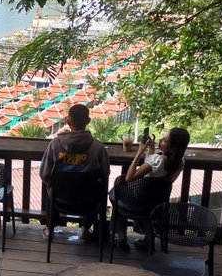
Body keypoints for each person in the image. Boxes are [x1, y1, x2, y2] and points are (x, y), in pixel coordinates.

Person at [39, 103, 111, 241]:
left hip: (59, 199)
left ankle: (49, 227)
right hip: (88, 201)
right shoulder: (98, 147)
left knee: (51, 188)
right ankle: (85, 228)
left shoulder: (55, 144)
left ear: (68, 121)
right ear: (88, 121)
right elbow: (105, 174)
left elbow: (44, 173)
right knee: (96, 189)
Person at [112, 127, 190, 250]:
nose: (160, 140)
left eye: (165, 140)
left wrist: (139, 152)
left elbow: (129, 177)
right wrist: (152, 150)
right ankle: (148, 237)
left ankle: (121, 235)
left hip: (138, 202)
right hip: (156, 203)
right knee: (123, 196)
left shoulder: (157, 161)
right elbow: (154, 167)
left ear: (173, 147)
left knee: (115, 194)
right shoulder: (179, 162)